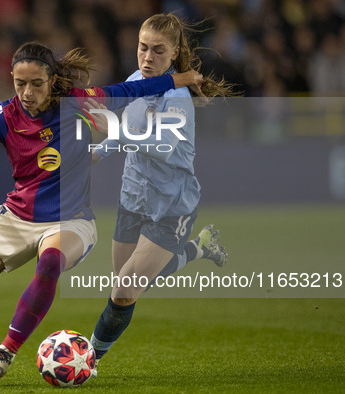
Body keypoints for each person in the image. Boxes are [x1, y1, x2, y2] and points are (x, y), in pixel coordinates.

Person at [0, 41, 204, 386]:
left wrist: (184, 77)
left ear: (52, 80)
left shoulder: (77, 102)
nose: (27, 93)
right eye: (19, 84)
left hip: (70, 220)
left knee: (50, 263)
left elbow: (134, 88)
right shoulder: (5, 114)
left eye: (36, 84)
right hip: (16, 216)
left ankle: (5, 353)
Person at [88, 13, 235, 373]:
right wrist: (96, 152)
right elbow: (121, 128)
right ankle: (198, 248)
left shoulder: (178, 98)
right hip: (133, 199)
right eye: (142, 48)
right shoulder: (136, 81)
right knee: (124, 281)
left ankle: (87, 360)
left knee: (123, 292)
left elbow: (164, 147)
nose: (147, 57)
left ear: (173, 55)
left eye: (157, 50)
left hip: (171, 205)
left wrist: (117, 137)